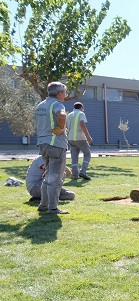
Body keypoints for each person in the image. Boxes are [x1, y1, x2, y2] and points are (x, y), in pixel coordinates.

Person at [34, 81, 69, 214]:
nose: (65, 95)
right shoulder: (57, 104)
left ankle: (43, 205)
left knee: (48, 175)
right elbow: (61, 115)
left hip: (43, 144)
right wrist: (61, 128)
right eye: (64, 93)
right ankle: (53, 208)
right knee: (55, 178)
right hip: (56, 144)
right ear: (59, 93)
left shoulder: (40, 105)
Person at [65, 102, 94, 180]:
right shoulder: (81, 114)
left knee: (74, 157)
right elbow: (82, 124)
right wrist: (88, 137)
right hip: (80, 138)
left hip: (71, 138)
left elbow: (66, 127)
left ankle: (74, 175)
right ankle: (83, 171)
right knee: (87, 154)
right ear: (81, 107)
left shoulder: (69, 115)